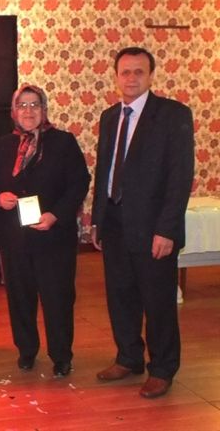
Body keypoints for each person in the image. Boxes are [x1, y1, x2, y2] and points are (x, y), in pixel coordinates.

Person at [91, 47, 194, 398]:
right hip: (114, 223)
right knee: (120, 296)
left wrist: (167, 229)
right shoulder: (109, 117)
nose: (131, 78)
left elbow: (180, 177)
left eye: (139, 71)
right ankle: (128, 357)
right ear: (116, 76)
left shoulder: (172, 115)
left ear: (151, 76)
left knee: (158, 301)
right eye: (125, 72)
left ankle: (162, 368)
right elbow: (104, 172)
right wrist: (97, 220)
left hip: (153, 229)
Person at [0, 84, 90, 377]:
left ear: (44, 110)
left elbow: (79, 183)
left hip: (53, 237)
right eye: (22, 105)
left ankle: (61, 356)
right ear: (13, 111)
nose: (28, 111)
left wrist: (56, 215)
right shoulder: (3, 145)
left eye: (34, 105)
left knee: (58, 298)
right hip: (14, 238)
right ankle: (26, 350)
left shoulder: (63, 142)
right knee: (20, 298)